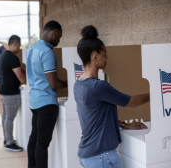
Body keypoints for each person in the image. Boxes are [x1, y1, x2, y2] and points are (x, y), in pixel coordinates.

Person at [74, 25, 150, 168]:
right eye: (105, 54)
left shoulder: (78, 84)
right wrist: (155, 94)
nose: (107, 58)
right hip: (101, 157)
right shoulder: (98, 86)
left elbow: (97, 117)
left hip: (87, 154)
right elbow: (132, 102)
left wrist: (124, 124)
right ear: (95, 57)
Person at [26, 20, 67, 168]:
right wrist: (69, 83)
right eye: (59, 37)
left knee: (34, 139)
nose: (59, 40)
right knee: (42, 144)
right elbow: (54, 83)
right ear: (54, 33)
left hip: (34, 101)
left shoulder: (31, 48)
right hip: (46, 103)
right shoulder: (47, 52)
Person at [0, 35, 26, 152]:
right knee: (9, 117)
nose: (19, 49)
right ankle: (9, 143)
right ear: (15, 44)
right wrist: (26, 82)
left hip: (3, 90)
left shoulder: (3, 55)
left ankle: (7, 139)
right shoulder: (13, 58)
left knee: (5, 116)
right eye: (19, 46)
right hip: (11, 92)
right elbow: (20, 76)